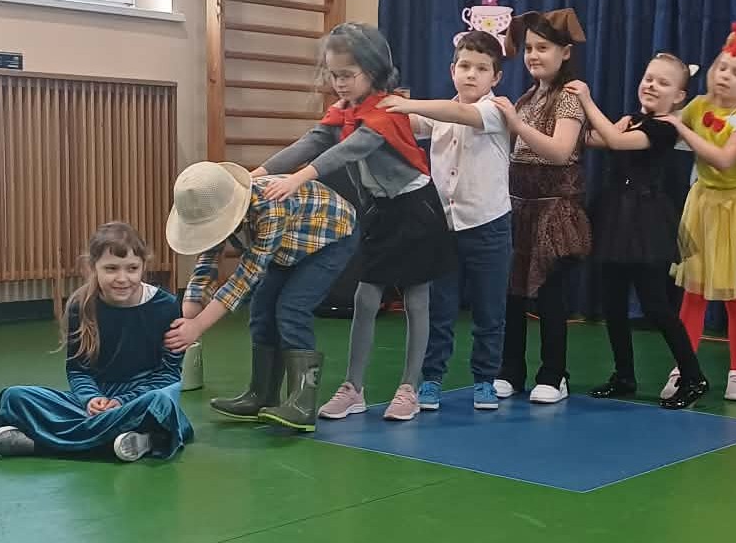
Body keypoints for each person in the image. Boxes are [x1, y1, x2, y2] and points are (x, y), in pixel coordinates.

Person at [246, 23, 456, 424]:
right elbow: (311, 142)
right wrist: (256, 174)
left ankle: (409, 387)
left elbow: (349, 150)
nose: (338, 83)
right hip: (380, 210)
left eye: (347, 75)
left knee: (416, 299)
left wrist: (297, 179)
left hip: (416, 209)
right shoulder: (344, 111)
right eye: (333, 74)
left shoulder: (387, 109)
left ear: (373, 71)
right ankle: (353, 388)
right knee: (365, 297)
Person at [164, 161, 358, 433]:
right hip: (287, 246)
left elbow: (246, 277)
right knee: (261, 310)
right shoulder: (218, 207)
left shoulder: (271, 207)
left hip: (331, 238)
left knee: (291, 310)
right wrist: (186, 317)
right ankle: (262, 395)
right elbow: (207, 262)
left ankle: (302, 404)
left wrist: (198, 326)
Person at [380, 31, 513, 411]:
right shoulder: (438, 113)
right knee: (439, 309)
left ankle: (485, 380)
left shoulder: (495, 110)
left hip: (488, 225)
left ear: (496, 77)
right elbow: (407, 124)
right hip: (443, 227)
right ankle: (432, 379)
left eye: (482, 68)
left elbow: (457, 114)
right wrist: (373, 106)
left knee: (489, 311)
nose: (471, 74)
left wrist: (406, 103)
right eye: (464, 66)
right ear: (452, 69)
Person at [0, 223, 193, 461]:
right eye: (111, 268)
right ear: (92, 267)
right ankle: (131, 441)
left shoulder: (166, 306)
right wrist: (91, 399)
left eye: (132, 268)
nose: (122, 278)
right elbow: (78, 370)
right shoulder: (81, 305)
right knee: (14, 397)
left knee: (161, 403)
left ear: (143, 267)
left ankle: (39, 446)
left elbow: (168, 375)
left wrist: (121, 402)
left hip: (140, 399)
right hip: (94, 403)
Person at [569, 54, 708, 409]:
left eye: (663, 83)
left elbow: (615, 142)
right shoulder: (632, 120)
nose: (652, 85)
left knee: (656, 304)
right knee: (612, 303)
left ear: (679, 97)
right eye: (649, 78)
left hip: (645, 223)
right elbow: (596, 138)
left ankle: (693, 376)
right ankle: (624, 375)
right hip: (615, 217)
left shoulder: (664, 128)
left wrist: (586, 100)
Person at [662, 23, 736, 402]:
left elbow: (726, 159)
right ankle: (684, 367)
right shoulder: (698, 105)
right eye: (721, 67)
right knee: (693, 294)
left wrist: (680, 128)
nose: (725, 76)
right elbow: (663, 125)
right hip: (703, 205)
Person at [492, 9, 592, 404]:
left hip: (554, 211)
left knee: (550, 296)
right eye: (529, 48)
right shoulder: (528, 97)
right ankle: (510, 370)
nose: (533, 55)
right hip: (521, 208)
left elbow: (561, 151)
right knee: (512, 295)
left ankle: (554, 374)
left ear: (564, 52)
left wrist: (517, 126)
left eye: (543, 48)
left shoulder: (570, 98)